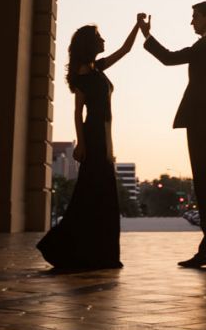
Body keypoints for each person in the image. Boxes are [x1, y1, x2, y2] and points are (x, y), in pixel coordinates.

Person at [139, 2, 206, 270]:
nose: (191, 21)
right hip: (205, 122)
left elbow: (169, 58)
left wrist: (146, 35)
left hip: (203, 123)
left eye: (194, 16)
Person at [37, 16, 142, 270]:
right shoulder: (83, 73)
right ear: (90, 44)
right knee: (94, 194)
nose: (104, 40)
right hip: (93, 137)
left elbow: (126, 50)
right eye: (99, 38)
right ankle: (73, 249)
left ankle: (99, 254)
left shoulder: (97, 68)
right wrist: (81, 144)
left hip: (103, 136)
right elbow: (78, 112)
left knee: (99, 195)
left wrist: (138, 26)